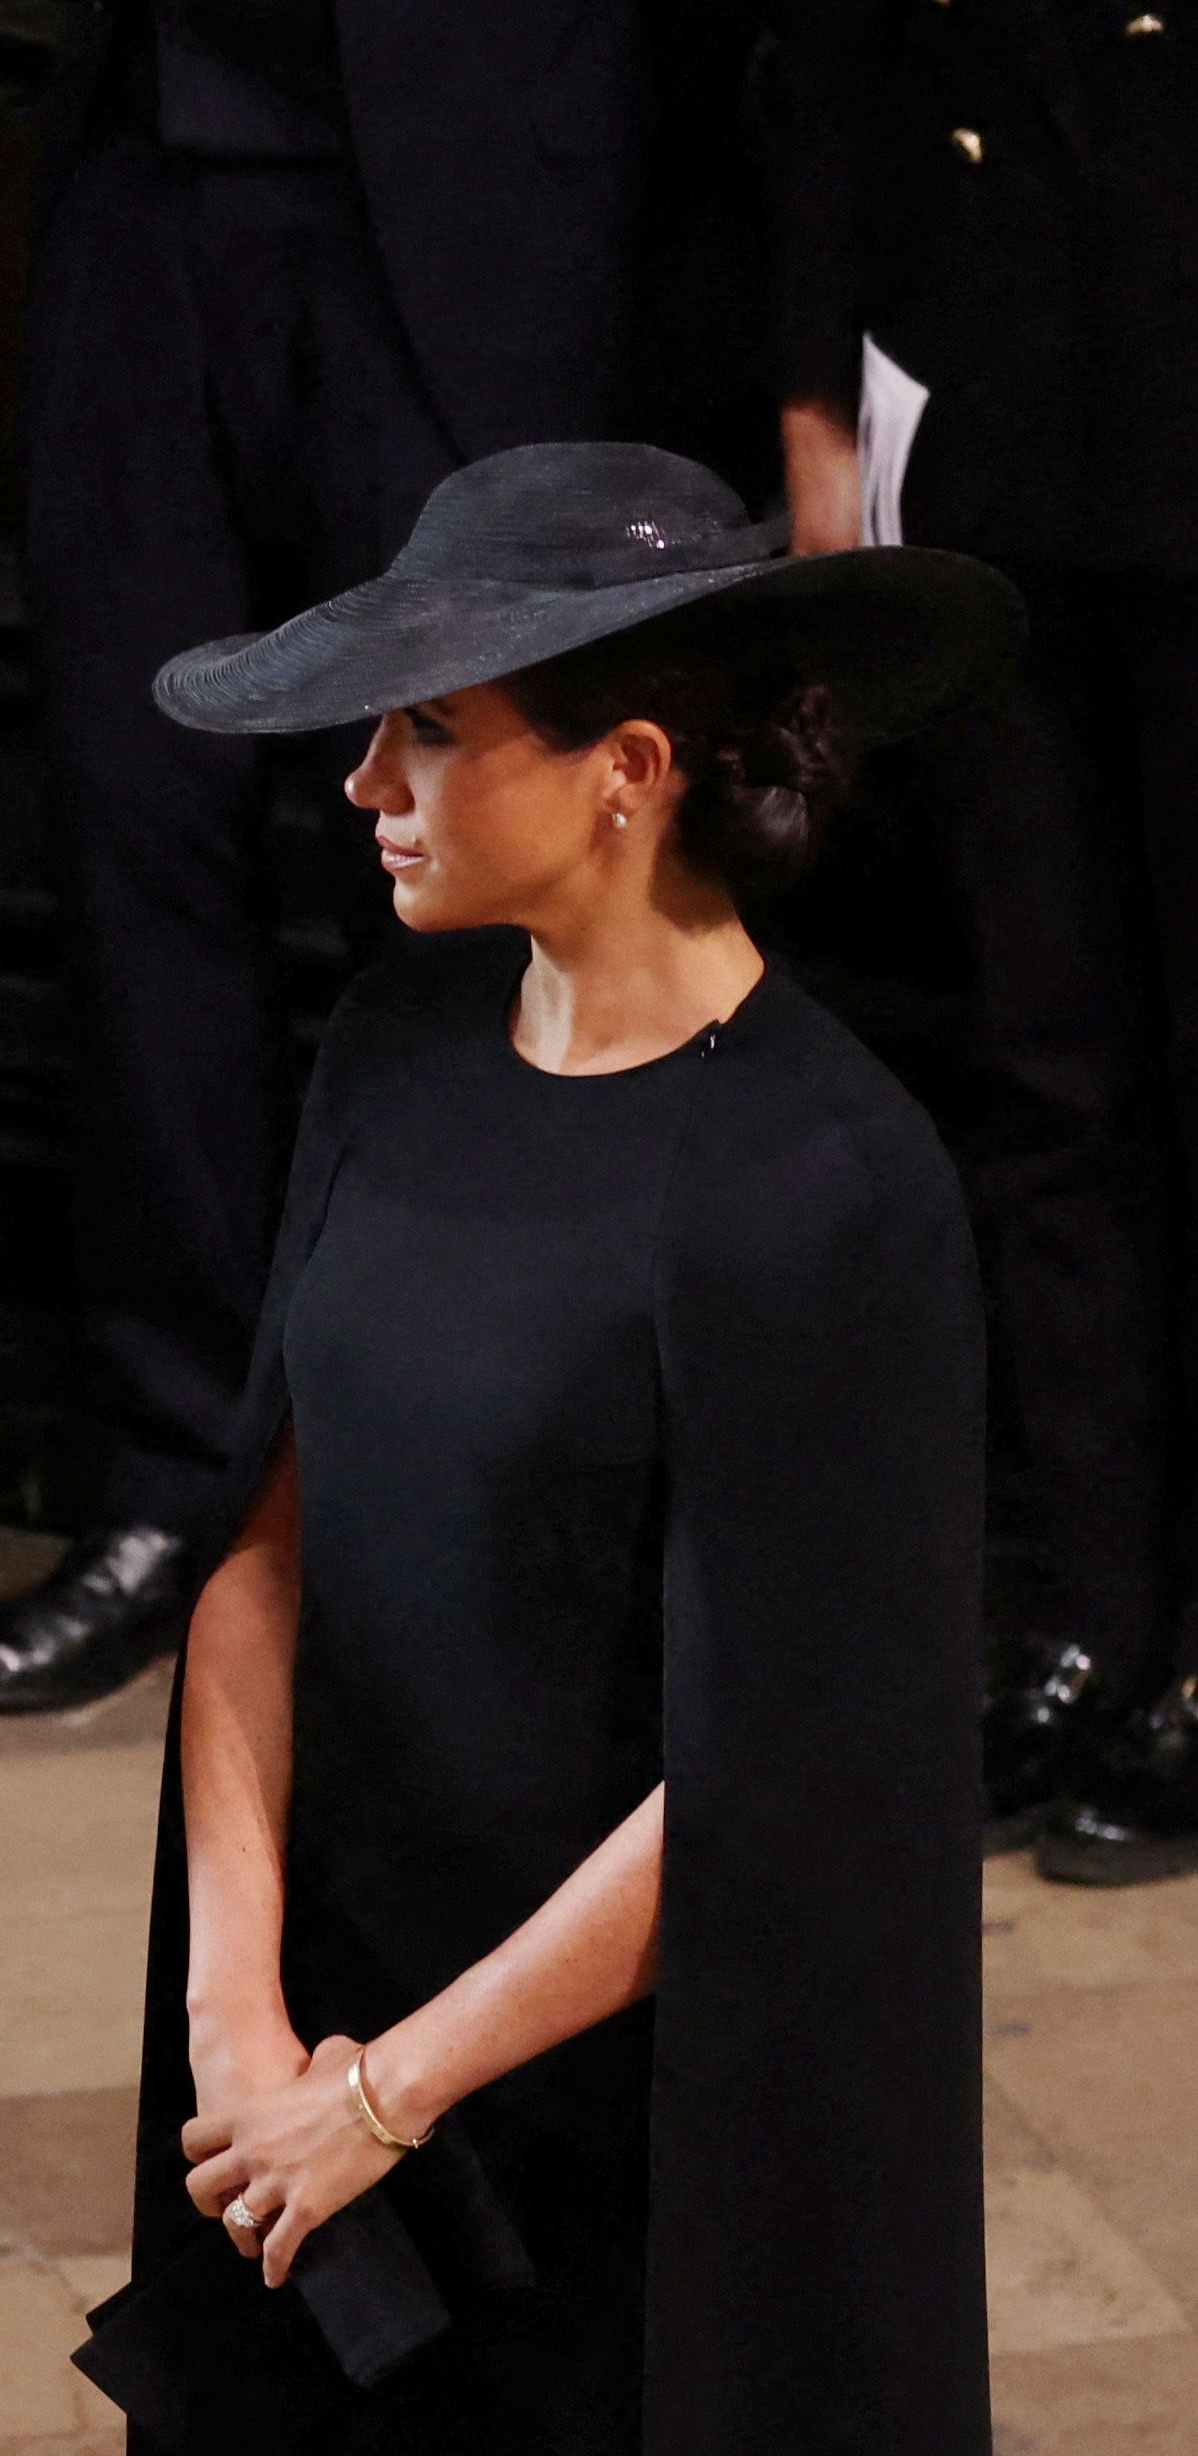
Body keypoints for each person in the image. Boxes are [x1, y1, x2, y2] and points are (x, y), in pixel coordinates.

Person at [71, 443, 1011, 2452]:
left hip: (632, 2121)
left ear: (628, 766)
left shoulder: (827, 1185)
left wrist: (393, 2089)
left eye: (426, 732)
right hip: (324, 2036)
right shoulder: (389, 1054)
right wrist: (237, 2012)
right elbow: (261, 1548)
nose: (363, 789)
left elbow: (779, 1777)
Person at [0, 0, 658, 1716]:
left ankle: (472, 1512)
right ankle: (180, 1494)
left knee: (477, 864)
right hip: (146, 168)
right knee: (133, 841)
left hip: (481, 189)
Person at [770, 0, 1198, 1874]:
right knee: (1048, 1071)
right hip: (988, 444)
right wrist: (810, 444)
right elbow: (818, 84)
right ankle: (1100, 1612)